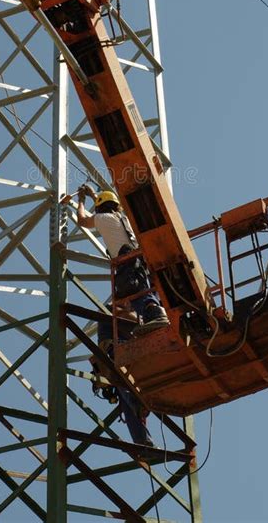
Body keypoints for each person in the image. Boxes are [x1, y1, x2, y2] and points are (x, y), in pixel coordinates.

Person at [77, 185, 169, 450]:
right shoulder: (123, 219)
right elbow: (108, 206)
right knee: (140, 293)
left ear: (100, 208)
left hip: (127, 266)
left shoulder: (103, 218)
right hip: (141, 263)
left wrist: (81, 201)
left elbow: (83, 220)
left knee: (135, 295)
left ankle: (142, 442)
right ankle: (143, 442)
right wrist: (96, 196)